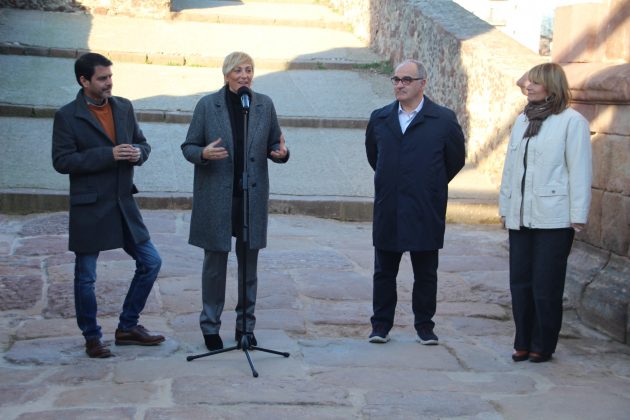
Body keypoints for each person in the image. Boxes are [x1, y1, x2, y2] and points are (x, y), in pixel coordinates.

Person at [52, 53, 165, 358]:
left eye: (110, 76)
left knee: (151, 262)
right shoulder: (67, 116)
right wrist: (109, 155)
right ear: (84, 81)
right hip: (89, 206)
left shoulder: (124, 107)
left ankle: (128, 326)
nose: (109, 83)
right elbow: (62, 161)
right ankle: (92, 337)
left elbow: (143, 143)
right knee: (86, 277)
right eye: (102, 78)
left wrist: (138, 154)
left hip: (122, 202)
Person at [181, 51, 289, 351]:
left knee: (248, 268)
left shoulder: (264, 104)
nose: (244, 76)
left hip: (250, 199)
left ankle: (246, 327)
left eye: (249, 70)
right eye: (238, 70)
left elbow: (275, 142)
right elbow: (188, 146)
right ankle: (210, 326)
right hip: (217, 198)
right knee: (214, 266)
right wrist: (203, 153)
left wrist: (281, 154)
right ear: (226, 74)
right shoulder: (207, 105)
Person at [365, 59, 466, 345]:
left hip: (425, 206)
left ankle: (424, 326)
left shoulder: (443, 120)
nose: (400, 85)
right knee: (384, 270)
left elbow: (455, 160)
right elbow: (374, 156)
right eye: (396, 79)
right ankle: (380, 325)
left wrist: (430, 183)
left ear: (423, 83)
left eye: (406, 80)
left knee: (426, 272)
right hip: (390, 205)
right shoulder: (380, 118)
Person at [499, 63, 592, 363]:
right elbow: (511, 169)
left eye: (535, 82)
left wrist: (578, 215)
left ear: (552, 86)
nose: (528, 86)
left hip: (554, 217)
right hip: (521, 215)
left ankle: (543, 343)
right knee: (520, 282)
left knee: (546, 284)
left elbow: (579, 170)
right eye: (529, 81)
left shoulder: (572, 122)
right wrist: (505, 207)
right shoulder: (522, 120)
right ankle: (522, 341)